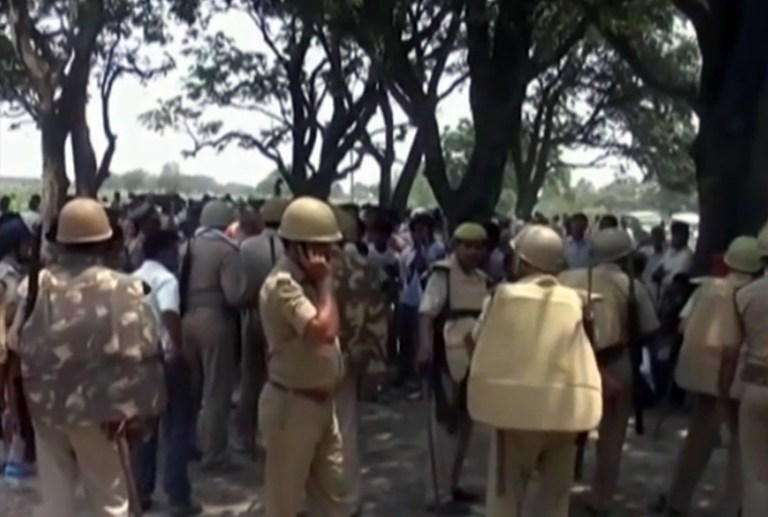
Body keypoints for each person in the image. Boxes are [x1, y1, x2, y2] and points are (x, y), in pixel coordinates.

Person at [10, 197, 166, 517]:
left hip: (45, 408)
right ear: (106, 241)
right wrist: (136, 413)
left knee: (56, 502)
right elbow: (146, 353)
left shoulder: (34, 286)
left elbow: (15, 343)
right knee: (110, 502)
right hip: (102, 410)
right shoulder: (127, 289)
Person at [469, 224, 602, 516]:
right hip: (565, 411)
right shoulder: (575, 300)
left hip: (515, 412)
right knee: (555, 500)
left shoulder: (502, 297)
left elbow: (479, 339)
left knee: (505, 496)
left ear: (523, 260)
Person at [653, 236, 760, 517]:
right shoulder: (755, 293)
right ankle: (733, 507)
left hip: (701, 378)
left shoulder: (707, 288)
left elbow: (683, 326)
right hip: (739, 378)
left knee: (697, 441)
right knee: (743, 448)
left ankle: (678, 499)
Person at [560, 227, 660, 514]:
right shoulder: (631, 285)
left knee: (562, 432)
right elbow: (649, 328)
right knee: (612, 436)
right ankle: (601, 497)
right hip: (615, 360)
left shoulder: (565, 278)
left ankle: (556, 492)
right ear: (625, 255)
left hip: (570, 360)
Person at [258, 196, 346, 516]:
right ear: (298, 247)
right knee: (285, 503)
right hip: (292, 406)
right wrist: (325, 282)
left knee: (333, 500)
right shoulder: (283, 285)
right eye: (320, 247)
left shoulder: (309, 282)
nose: (329, 255)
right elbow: (324, 330)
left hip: (321, 404)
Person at [416, 222, 489, 514]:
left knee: (464, 426)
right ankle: (437, 494)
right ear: (455, 246)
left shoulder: (484, 279)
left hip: (474, 358)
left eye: (478, 247)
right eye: (466, 246)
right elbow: (426, 313)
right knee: (443, 426)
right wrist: (424, 347)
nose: (472, 252)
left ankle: (453, 485)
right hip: (446, 358)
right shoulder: (442, 274)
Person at [131, 230, 202, 516]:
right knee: (177, 428)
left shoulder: (133, 277)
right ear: (163, 251)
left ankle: (141, 491)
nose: (178, 256)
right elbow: (171, 315)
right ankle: (178, 495)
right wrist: (180, 349)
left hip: (141, 360)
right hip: (166, 359)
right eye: (174, 250)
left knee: (147, 430)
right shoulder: (167, 280)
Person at [332, 206, 389, 516]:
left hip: (308, 363)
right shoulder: (364, 267)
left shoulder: (305, 266)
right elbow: (379, 318)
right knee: (346, 431)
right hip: (350, 360)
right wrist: (377, 365)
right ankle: (348, 501)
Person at [180, 199, 243, 471]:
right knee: (216, 389)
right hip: (215, 320)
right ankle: (214, 452)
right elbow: (234, 294)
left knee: (191, 390)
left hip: (186, 319)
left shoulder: (188, 245)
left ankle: (188, 443)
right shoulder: (226, 250)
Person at [234, 197, 288, 457]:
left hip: (252, 315)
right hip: (281, 321)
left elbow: (240, 288)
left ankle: (246, 437)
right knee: (278, 380)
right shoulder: (290, 249)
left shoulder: (246, 247)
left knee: (250, 379)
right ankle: (275, 437)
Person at [721, 225, 768, 517]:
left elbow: (729, 353)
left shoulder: (745, 295)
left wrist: (724, 394)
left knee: (757, 477)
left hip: (757, 388)